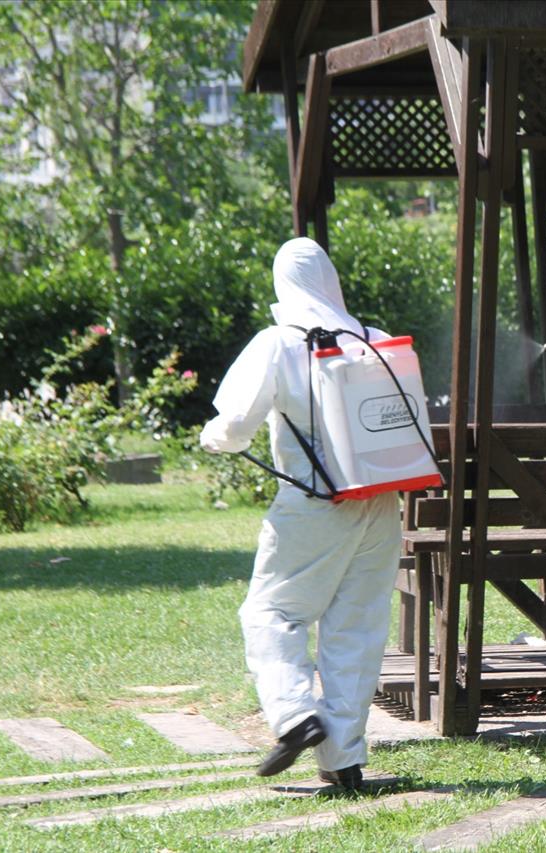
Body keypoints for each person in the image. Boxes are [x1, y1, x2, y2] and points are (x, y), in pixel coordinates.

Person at [200, 237, 402, 789]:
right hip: (383, 503)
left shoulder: (278, 342)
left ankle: (293, 716)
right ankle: (344, 761)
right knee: (355, 630)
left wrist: (214, 438)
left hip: (315, 505)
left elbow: (236, 424)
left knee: (270, 613)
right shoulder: (379, 342)